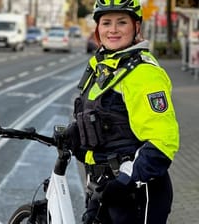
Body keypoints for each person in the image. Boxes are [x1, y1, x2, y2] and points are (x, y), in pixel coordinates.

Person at [63, 0, 179, 223]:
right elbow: (103, 122)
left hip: (136, 194)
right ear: (97, 28)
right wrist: (75, 134)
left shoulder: (144, 74)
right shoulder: (104, 67)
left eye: (121, 22)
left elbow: (163, 142)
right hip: (102, 188)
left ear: (136, 26)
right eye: (106, 22)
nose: (113, 29)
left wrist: (126, 181)